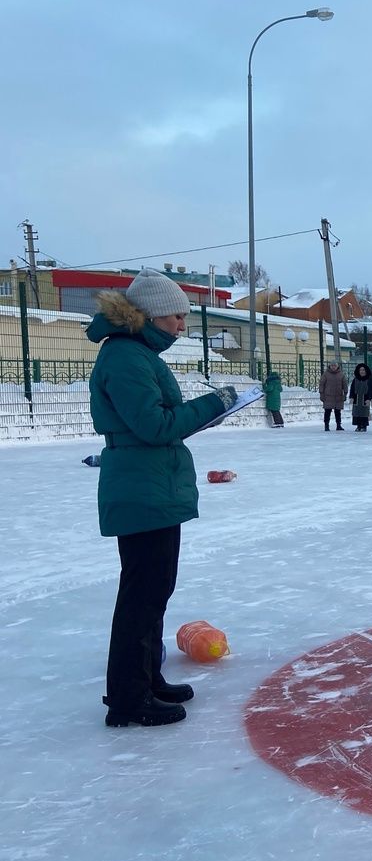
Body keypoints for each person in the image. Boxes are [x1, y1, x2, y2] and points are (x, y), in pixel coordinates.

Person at [87, 268, 236, 727]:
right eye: (175, 317)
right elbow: (154, 426)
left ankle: (146, 679)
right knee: (142, 595)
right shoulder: (127, 358)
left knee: (154, 591)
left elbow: (159, 420)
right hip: (140, 489)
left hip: (150, 486)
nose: (180, 327)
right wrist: (214, 405)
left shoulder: (138, 353)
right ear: (150, 315)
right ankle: (128, 698)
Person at [319, 361, 346, 431]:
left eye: (335, 366)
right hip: (328, 396)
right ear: (330, 366)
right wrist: (321, 393)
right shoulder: (326, 374)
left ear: (337, 366)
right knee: (327, 411)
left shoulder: (341, 374)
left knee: (338, 412)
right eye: (332, 366)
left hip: (338, 396)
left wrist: (345, 393)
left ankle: (338, 425)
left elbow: (344, 384)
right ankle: (326, 425)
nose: (333, 367)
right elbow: (321, 384)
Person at [349, 362, 372, 432]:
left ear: (366, 371)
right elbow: (352, 389)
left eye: (363, 370)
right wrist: (352, 397)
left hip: (365, 399)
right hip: (357, 398)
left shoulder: (369, 380)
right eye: (360, 370)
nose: (362, 371)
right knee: (357, 412)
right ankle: (358, 426)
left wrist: (369, 398)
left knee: (364, 412)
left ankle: (364, 426)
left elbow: (371, 390)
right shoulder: (355, 380)